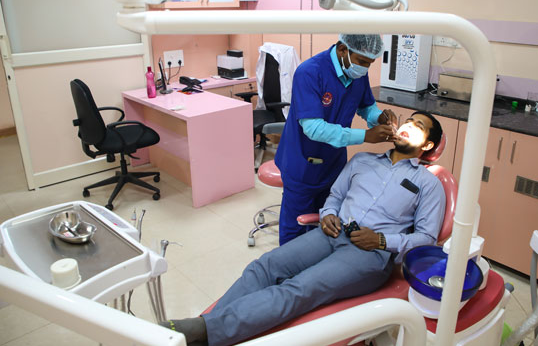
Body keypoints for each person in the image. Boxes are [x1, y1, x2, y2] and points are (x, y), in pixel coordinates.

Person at [162, 111, 446, 346]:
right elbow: (335, 196)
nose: (409, 125)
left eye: (419, 126)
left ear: (428, 145)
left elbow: (426, 239)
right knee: (264, 266)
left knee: (300, 288)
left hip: (368, 254)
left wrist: (382, 240)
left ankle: (202, 331)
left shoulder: (428, 184)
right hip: (332, 232)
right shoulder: (363, 161)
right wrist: (328, 214)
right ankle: (209, 331)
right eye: (409, 121)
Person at [274, 34, 398, 245]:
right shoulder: (310, 72)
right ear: (342, 49)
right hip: (302, 163)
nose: (365, 68)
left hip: (334, 163)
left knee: (328, 221)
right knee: (295, 228)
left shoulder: (356, 72)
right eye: (362, 61)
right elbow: (314, 128)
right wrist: (366, 136)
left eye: (370, 63)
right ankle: (286, 264)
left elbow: (365, 107)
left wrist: (378, 117)